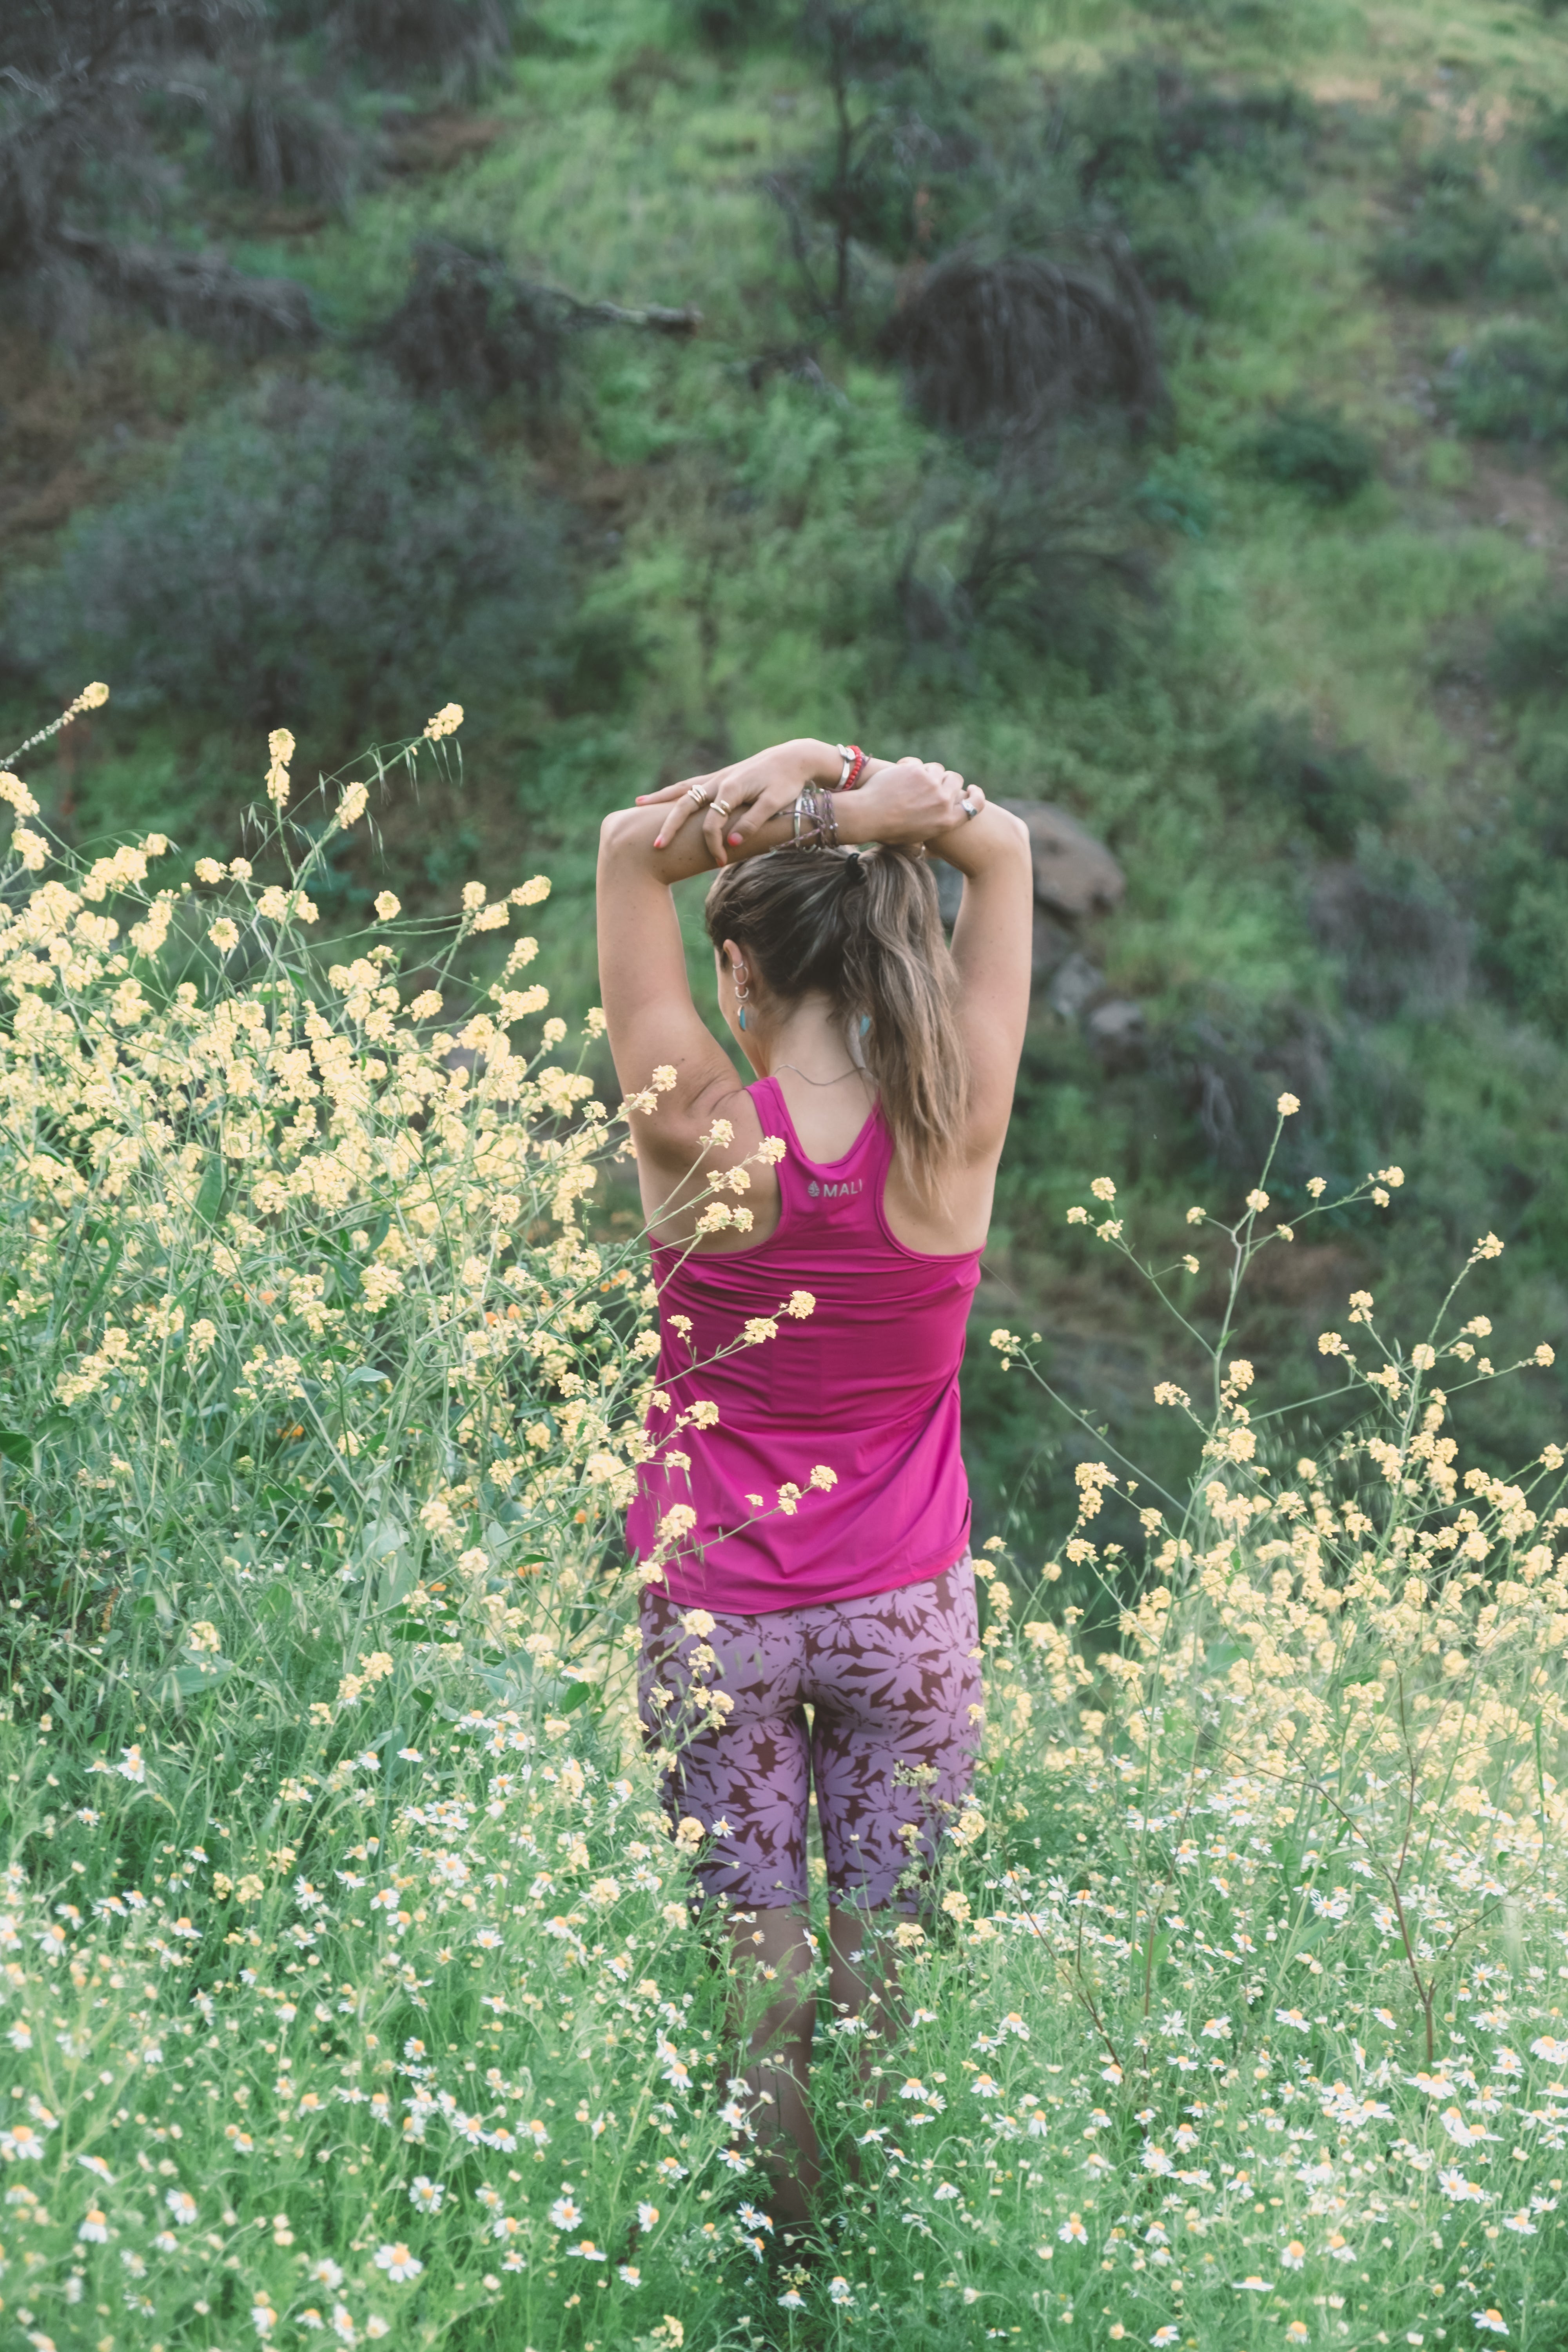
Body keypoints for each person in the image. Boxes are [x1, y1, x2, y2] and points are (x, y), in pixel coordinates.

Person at [596, 737, 1033, 2231]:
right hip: (905, 1611)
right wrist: (900, 814)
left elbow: (623, 847)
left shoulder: (697, 1133)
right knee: (885, 1954)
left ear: (737, 974)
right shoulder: (952, 1125)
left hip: (717, 1612)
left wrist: (809, 793)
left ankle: (789, 2273)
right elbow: (1012, 851)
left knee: (758, 1966)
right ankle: (885, 2236)